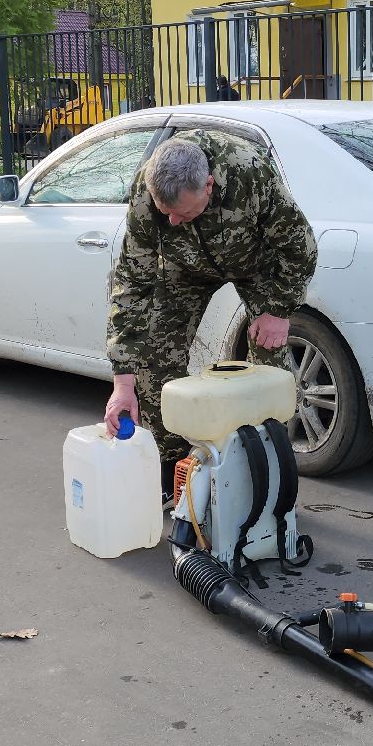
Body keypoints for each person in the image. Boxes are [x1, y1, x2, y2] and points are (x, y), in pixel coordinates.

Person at [103, 129, 317, 492]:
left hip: (254, 261)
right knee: (155, 356)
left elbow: (301, 247)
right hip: (184, 266)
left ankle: (265, 476)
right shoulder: (147, 194)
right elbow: (131, 283)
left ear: (209, 185)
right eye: (165, 213)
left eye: (183, 213)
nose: (172, 222)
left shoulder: (249, 173)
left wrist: (278, 310)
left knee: (268, 363)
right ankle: (177, 475)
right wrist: (122, 382)